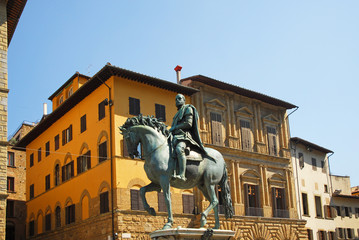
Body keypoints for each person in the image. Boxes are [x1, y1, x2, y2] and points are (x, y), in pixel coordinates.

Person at [169, 94, 207, 181]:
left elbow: (188, 124)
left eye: (179, 99)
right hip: (175, 136)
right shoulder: (177, 114)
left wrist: (174, 128)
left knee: (179, 149)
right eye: (176, 99)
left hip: (184, 136)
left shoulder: (188, 109)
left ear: (184, 100)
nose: (177, 101)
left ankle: (182, 174)